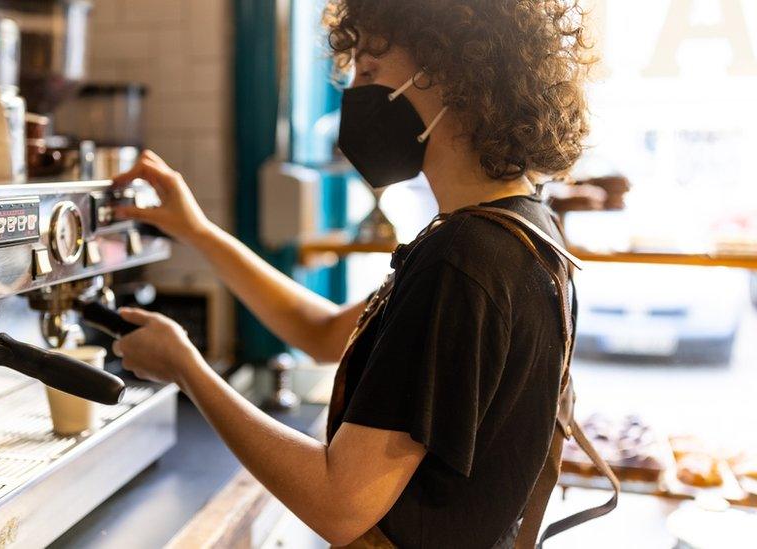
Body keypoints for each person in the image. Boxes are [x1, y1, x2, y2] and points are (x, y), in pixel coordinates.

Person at [110, 0, 593, 547]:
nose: (356, 94)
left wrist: (187, 370)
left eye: (368, 71)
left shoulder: (463, 259)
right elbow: (320, 334)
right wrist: (197, 230)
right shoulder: (523, 228)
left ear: (451, 74)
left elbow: (338, 504)